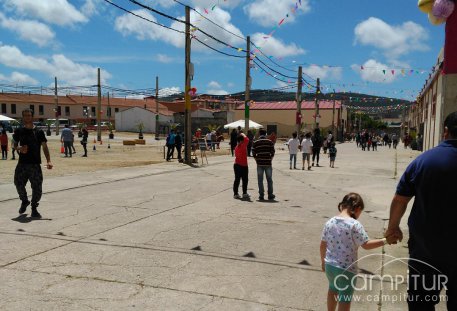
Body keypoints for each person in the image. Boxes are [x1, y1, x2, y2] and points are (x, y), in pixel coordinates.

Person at [385, 112, 457, 310]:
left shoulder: (424, 161)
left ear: (445, 132)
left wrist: (393, 228)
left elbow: (400, 199)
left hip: (427, 250)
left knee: (421, 302)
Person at [320, 193, 387, 311]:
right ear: (358, 208)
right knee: (344, 297)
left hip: (330, 265)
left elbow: (322, 245)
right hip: (346, 269)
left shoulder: (330, 222)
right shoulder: (355, 225)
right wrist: (384, 241)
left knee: (332, 289)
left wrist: (322, 262)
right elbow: (366, 245)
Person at [12, 108, 53, 218]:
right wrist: (19, 148)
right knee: (18, 183)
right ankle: (24, 200)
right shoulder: (19, 131)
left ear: (32, 117)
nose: (27, 117)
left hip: (35, 165)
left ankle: (34, 207)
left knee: (37, 188)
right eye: (25, 115)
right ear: (23, 117)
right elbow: (14, 145)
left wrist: (48, 160)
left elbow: (44, 146)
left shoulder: (38, 132)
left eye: (29, 115)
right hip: (22, 164)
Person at [252, 129, 275, 201]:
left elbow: (253, 153)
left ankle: (261, 195)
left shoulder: (255, 142)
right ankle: (270, 195)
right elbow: (273, 152)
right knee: (269, 179)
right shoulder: (270, 142)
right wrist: (270, 159)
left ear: (259, 134)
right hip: (268, 163)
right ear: (266, 134)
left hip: (259, 164)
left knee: (260, 180)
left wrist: (257, 161)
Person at [233, 132, 250, 200]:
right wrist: (242, 133)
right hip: (243, 165)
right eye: (242, 140)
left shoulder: (236, 147)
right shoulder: (243, 145)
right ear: (241, 141)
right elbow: (247, 139)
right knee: (245, 179)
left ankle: (235, 193)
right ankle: (244, 193)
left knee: (237, 180)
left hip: (236, 165)